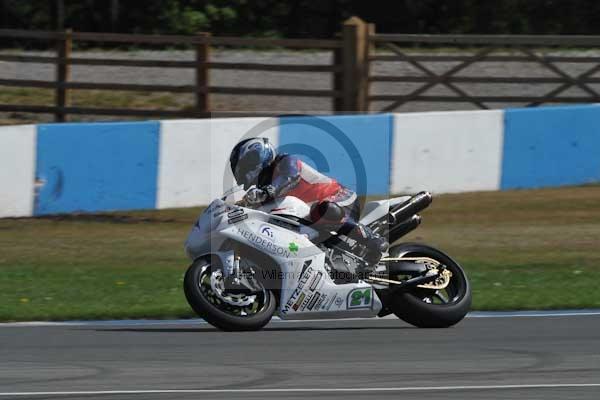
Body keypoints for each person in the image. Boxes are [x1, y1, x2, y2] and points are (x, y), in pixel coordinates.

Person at [229, 137, 388, 266]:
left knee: (323, 210)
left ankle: (372, 239)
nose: (243, 173)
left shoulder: (285, 161)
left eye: (244, 166)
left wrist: (266, 192)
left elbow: (290, 178)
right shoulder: (264, 188)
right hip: (310, 216)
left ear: (257, 157)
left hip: (340, 199)